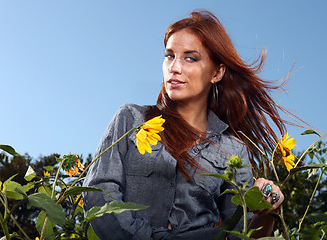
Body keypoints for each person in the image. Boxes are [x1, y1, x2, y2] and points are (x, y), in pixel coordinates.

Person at [83, 10, 288, 239]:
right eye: (169, 55)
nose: (175, 67)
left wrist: (269, 211)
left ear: (217, 72)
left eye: (190, 58)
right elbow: (98, 193)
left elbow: (243, 233)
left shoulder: (233, 149)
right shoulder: (131, 119)